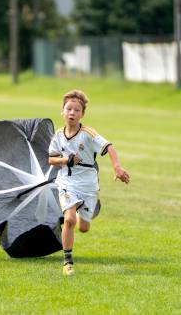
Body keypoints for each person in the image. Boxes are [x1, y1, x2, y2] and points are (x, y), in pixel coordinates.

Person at [48, 89, 130, 276]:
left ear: (82, 114)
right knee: (68, 220)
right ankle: (67, 262)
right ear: (62, 111)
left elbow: (108, 146)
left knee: (83, 228)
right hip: (66, 182)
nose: (72, 113)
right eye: (68, 109)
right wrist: (65, 160)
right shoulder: (58, 135)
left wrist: (117, 167)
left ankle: (83, 208)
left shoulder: (88, 133)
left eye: (77, 110)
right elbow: (51, 159)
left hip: (88, 185)